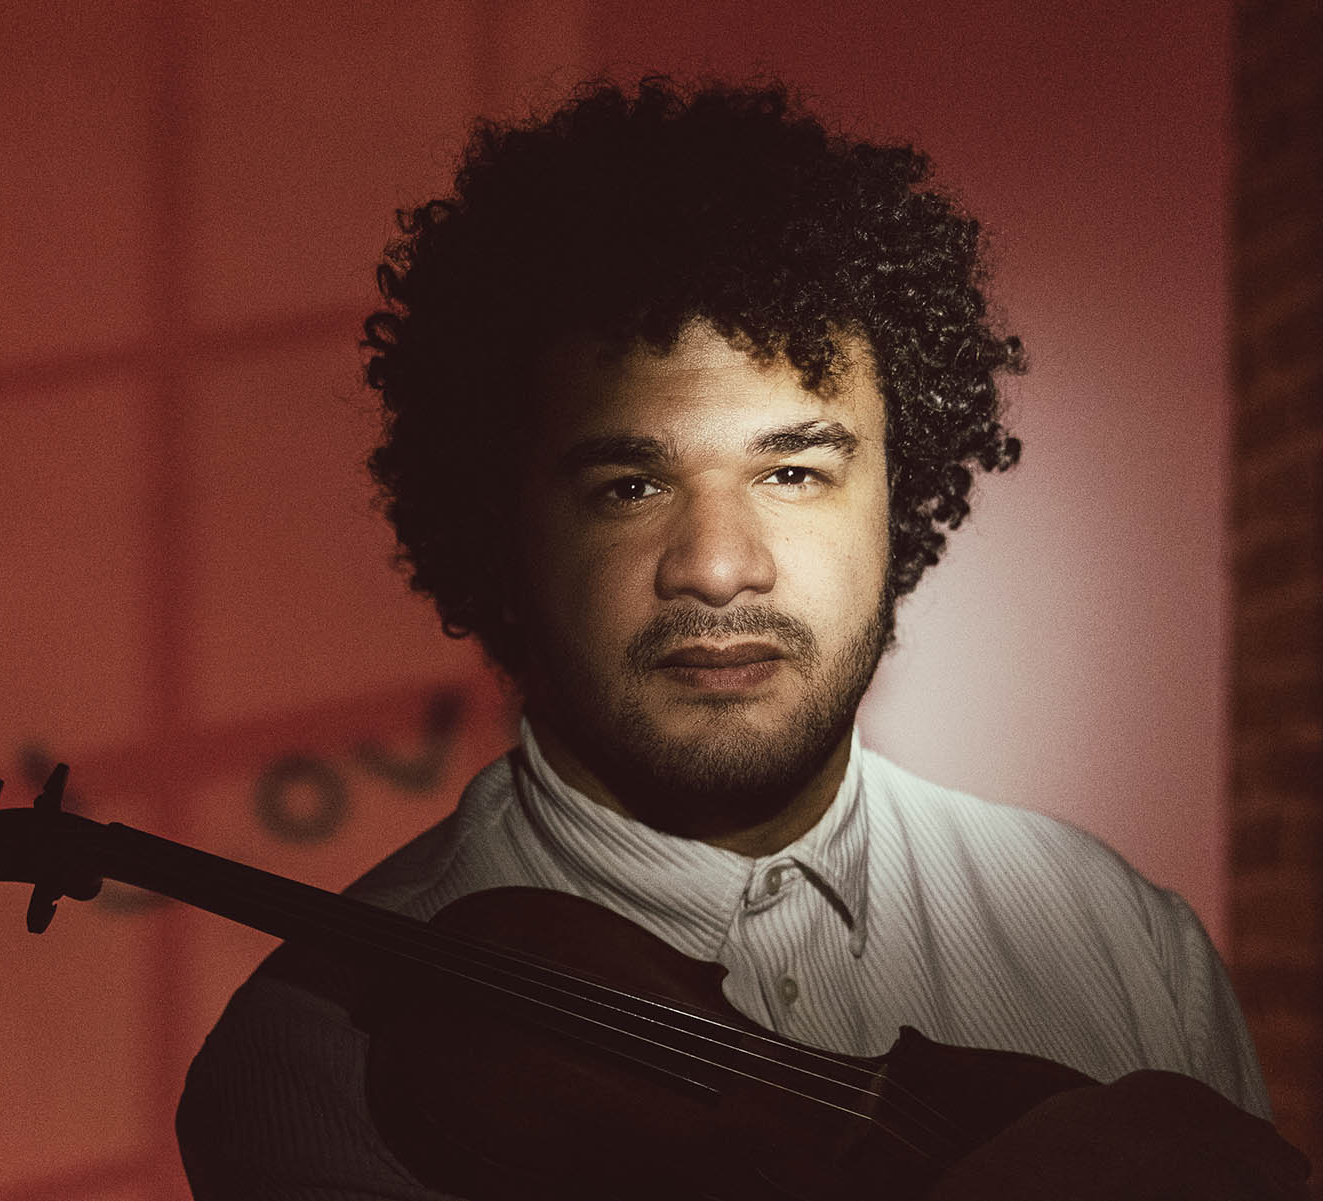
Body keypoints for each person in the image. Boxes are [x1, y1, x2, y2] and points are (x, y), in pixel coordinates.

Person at [173, 76, 1305, 1199]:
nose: (717, 564)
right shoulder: (313, 1054)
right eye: (627, 484)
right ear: (499, 524)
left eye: (792, 471)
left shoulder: (1126, 941)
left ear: (897, 495)